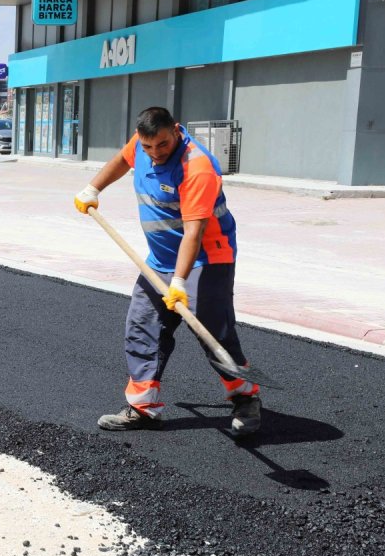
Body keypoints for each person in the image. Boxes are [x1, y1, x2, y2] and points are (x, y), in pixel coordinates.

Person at [73, 106, 261, 436]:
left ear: (175, 130)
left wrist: (178, 282)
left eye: (162, 144)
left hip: (206, 260)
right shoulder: (143, 144)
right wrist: (93, 189)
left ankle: (245, 398)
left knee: (213, 333)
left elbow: (194, 231)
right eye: (148, 147)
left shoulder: (196, 167)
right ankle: (144, 407)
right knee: (143, 325)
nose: (154, 153)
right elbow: (122, 159)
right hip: (158, 260)